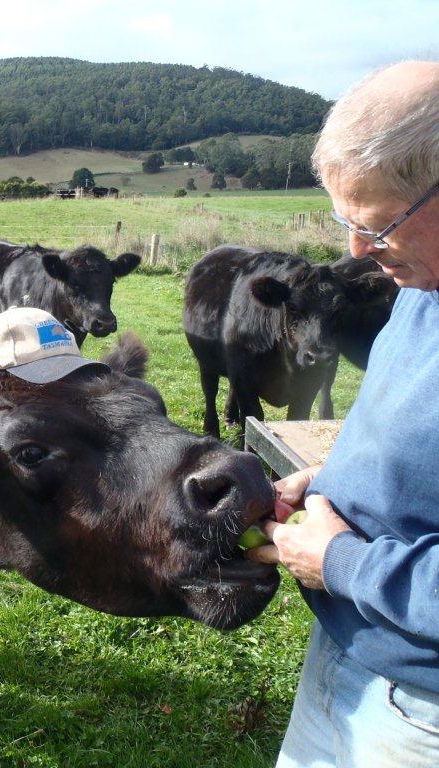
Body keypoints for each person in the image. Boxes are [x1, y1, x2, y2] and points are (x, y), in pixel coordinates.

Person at [246, 60, 439, 767]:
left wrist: (340, 560)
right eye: (345, 222)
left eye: (379, 225)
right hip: (349, 653)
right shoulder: (423, 286)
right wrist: (337, 477)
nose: (357, 251)